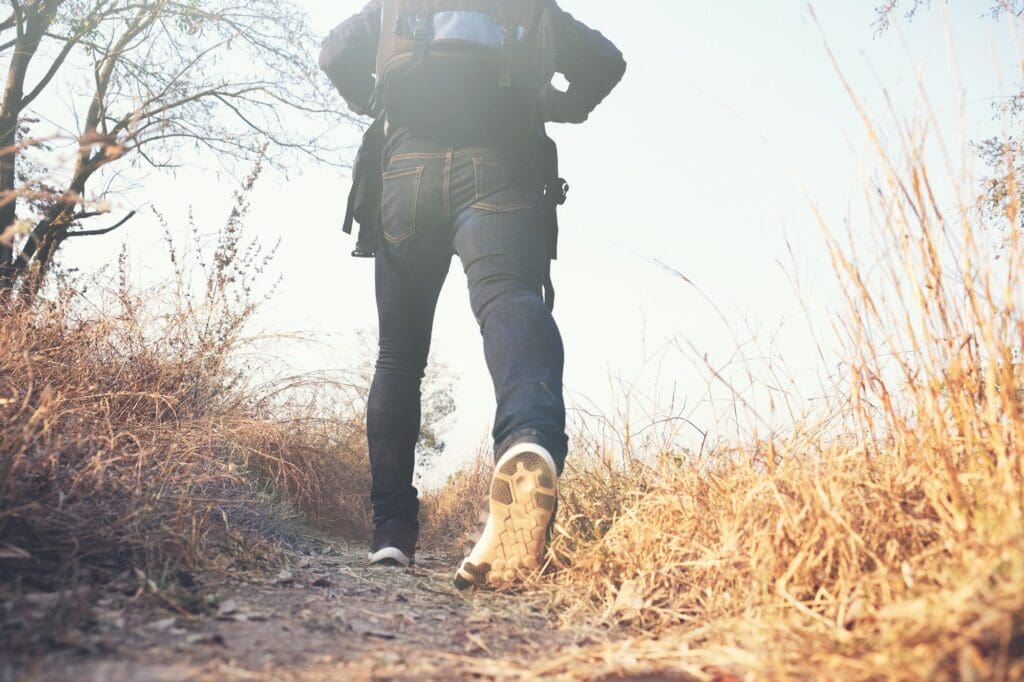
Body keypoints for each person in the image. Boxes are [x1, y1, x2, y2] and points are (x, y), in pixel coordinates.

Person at [319, 0, 625, 589]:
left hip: (405, 172)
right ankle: (528, 439)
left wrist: (373, 99)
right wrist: (555, 105)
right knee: (509, 298)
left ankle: (391, 532)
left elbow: (334, 53)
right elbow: (605, 63)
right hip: (502, 165)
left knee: (399, 357)